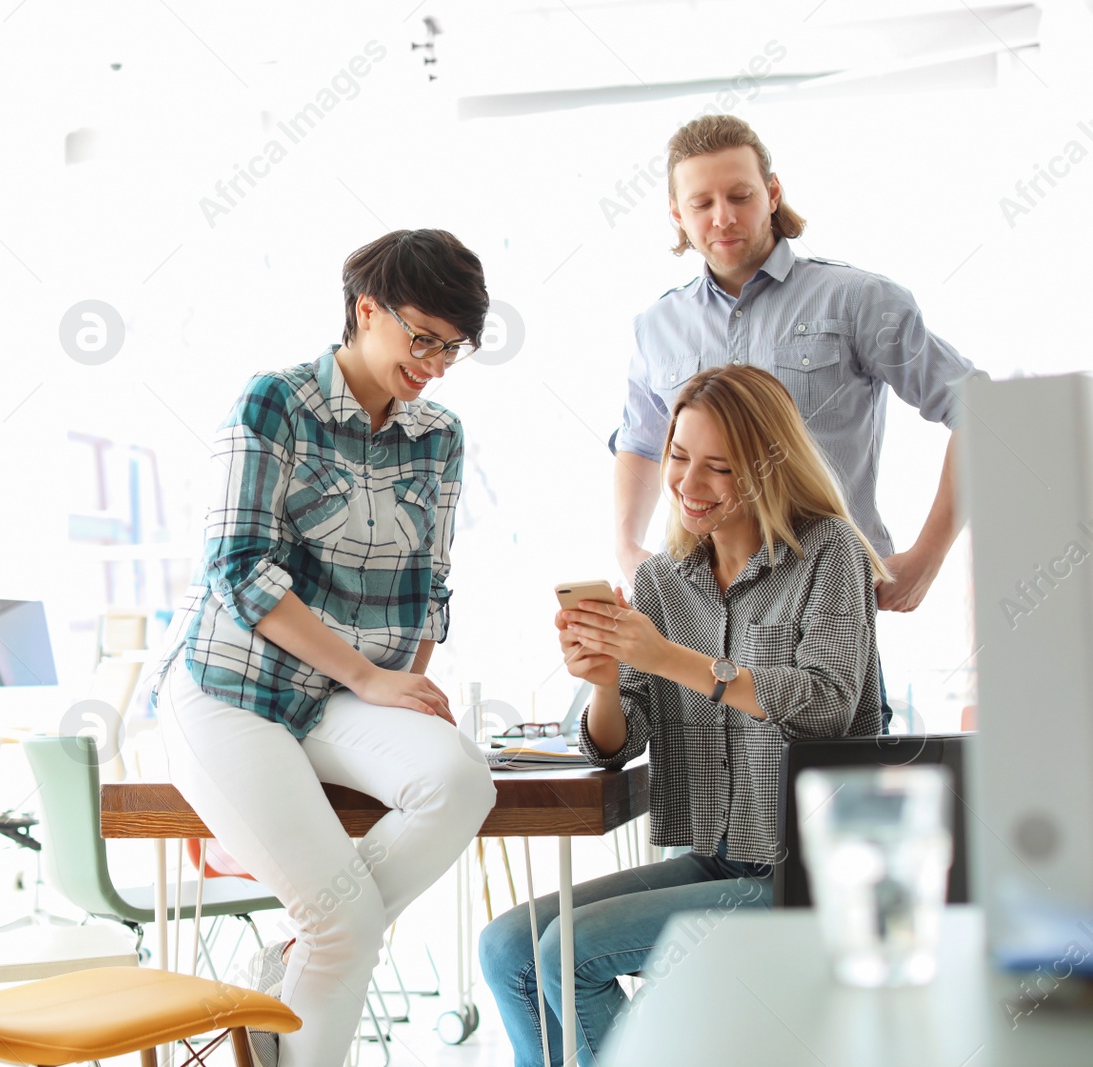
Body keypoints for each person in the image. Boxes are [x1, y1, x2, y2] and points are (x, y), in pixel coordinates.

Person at [150, 229, 497, 1067]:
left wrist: (401, 686)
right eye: (424, 339)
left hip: (343, 696)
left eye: (454, 348)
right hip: (232, 684)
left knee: (459, 779)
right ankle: (314, 951)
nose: (437, 364)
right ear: (364, 308)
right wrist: (367, 677)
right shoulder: (277, 400)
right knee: (344, 926)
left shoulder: (439, 435)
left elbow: (428, 585)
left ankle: (286, 968)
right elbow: (240, 569)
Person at [481, 364, 887, 1066]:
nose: (688, 485)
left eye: (719, 468)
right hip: (718, 859)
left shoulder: (829, 553)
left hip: (815, 875)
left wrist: (668, 657)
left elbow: (826, 704)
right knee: (508, 947)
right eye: (677, 457)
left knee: (565, 954)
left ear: (767, 468)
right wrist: (608, 681)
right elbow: (618, 741)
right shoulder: (661, 580)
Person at [611, 114, 985, 731]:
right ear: (677, 214)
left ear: (773, 194)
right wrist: (627, 544)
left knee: (834, 801)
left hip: (826, 604)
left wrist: (928, 555)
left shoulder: (857, 300)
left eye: (740, 195)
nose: (723, 217)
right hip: (703, 614)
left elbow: (980, 410)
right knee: (715, 804)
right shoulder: (657, 326)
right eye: (701, 202)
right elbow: (641, 441)